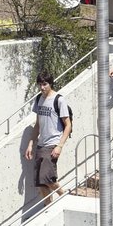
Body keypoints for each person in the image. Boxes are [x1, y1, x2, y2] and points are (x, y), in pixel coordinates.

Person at [24, 71, 72, 208]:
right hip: (41, 144)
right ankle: (48, 206)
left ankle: (63, 195)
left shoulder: (59, 100)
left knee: (47, 177)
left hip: (53, 143)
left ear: (50, 83)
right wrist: (30, 144)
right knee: (40, 182)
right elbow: (38, 125)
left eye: (44, 84)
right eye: (40, 84)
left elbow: (68, 125)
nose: (42, 87)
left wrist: (60, 146)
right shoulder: (39, 99)